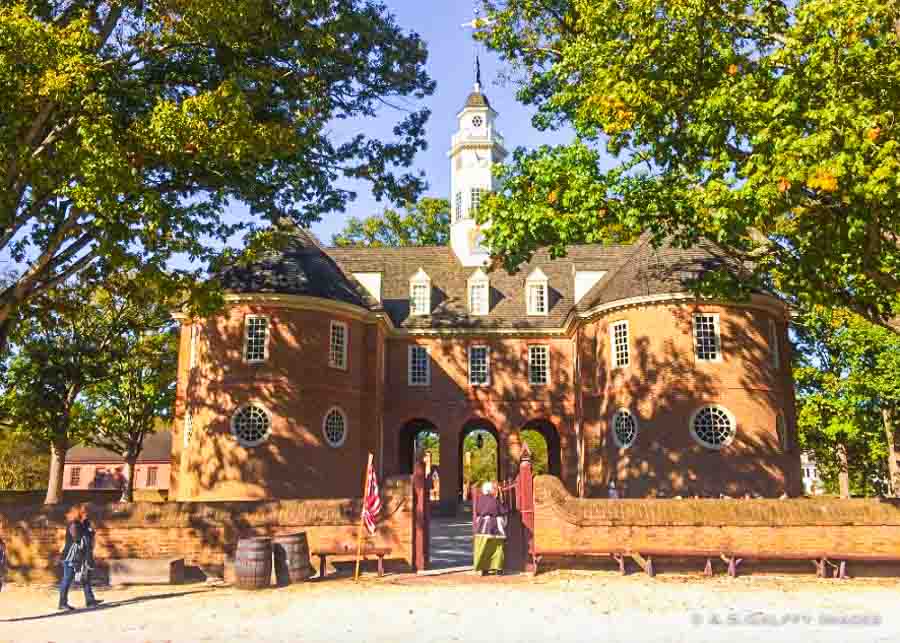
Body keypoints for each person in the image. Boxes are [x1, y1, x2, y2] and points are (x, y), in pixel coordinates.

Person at [58, 504, 101, 611]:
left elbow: (90, 538)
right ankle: (62, 603)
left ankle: (90, 600)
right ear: (80, 513)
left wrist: (88, 527)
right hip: (70, 558)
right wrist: (87, 530)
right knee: (67, 580)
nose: (87, 514)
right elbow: (78, 539)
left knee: (85, 578)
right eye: (85, 512)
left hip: (80, 557)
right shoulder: (74, 525)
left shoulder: (85, 525)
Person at [473, 481, 507, 576]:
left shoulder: (480, 500)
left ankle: (483, 569)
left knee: (484, 547)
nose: (494, 490)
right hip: (495, 526)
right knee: (498, 548)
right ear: (490, 490)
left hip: (482, 527)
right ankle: (498, 569)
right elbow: (502, 510)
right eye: (493, 488)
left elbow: (478, 511)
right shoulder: (494, 500)